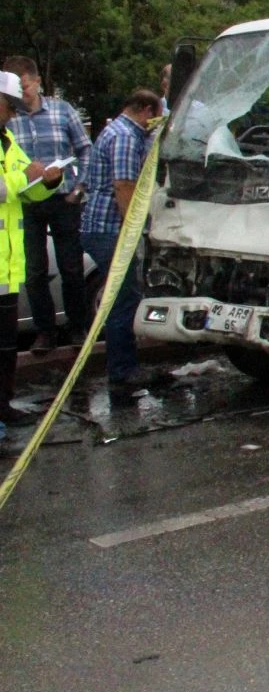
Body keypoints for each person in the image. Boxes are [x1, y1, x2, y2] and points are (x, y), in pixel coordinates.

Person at [3, 57, 93, 352]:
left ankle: (77, 328)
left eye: (24, 87)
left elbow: (84, 150)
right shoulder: (8, 119)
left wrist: (80, 188)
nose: (21, 95)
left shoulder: (61, 110)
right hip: (26, 204)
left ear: (37, 80)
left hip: (64, 198)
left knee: (71, 267)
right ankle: (45, 332)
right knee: (35, 270)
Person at [80, 89, 162, 396]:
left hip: (101, 227)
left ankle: (123, 367)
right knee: (123, 298)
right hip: (111, 229)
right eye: (152, 117)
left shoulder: (115, 131)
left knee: (122, 296)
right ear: (142, 109)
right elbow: (124, 185)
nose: (153, 124)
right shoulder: (126, 137)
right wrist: (135, 228)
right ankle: (123, 370)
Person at [0, 71, 66, 425]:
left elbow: (28, 189)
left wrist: (49, 181)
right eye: (8, 106)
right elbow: (12, 184)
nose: (11, 113)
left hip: (7, 268)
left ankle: (4, 405)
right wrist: (23, 178)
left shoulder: (8, 140)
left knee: (7, 347)